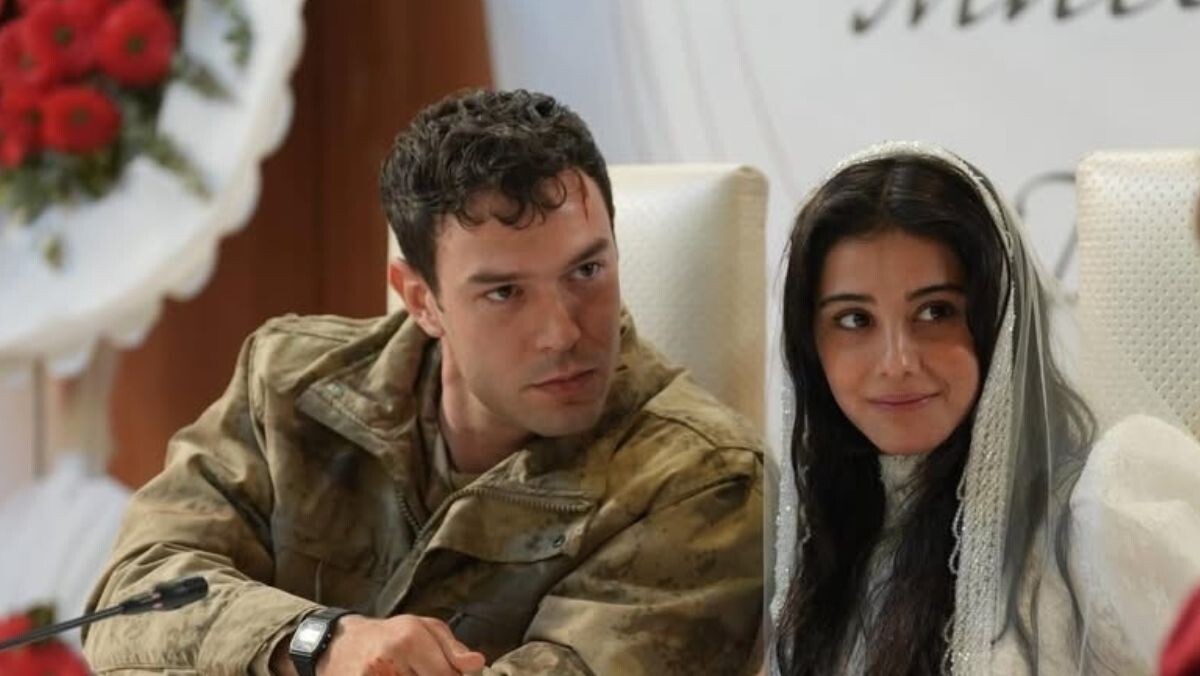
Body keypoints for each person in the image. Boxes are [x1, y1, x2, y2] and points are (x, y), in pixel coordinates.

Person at [83, 89, 765, 675]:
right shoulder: (289, 383)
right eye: (504, 293)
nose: (562, 332)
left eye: (587, 271)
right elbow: (130, 602)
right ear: (421, 299)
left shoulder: (703, 479)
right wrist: (320, 643)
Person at [768, 142, 1200, 675]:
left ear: (999, 319)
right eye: (855, 320)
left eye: (936, 312)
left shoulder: (1103, 504)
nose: (897, 362)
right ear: (810, 344)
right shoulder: (826, 532)